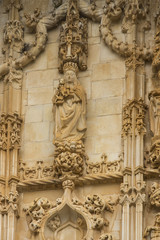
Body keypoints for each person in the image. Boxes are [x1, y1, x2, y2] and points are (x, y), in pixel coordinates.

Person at [53, 62, 87, 143]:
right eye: (67, 74)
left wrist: (73, 96)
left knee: (77, 114)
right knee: (60, 114)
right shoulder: (61, 88)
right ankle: (62, 134)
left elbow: (82, 98)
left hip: (75, 108)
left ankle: (74, 135)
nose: (69, 76)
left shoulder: (79, 88)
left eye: (71, 74)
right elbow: (55, 99)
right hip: (63, 110)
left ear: (74, 76)